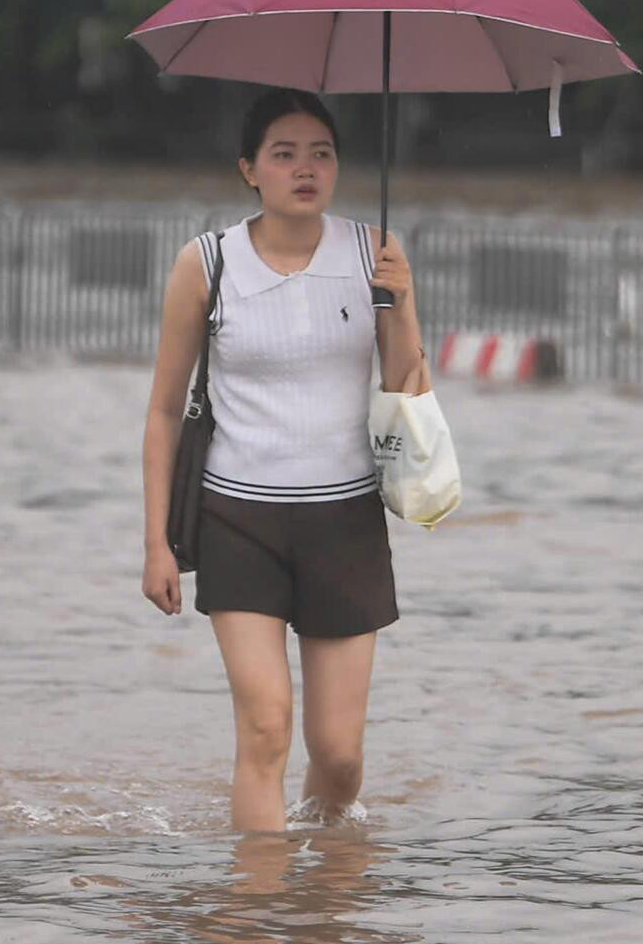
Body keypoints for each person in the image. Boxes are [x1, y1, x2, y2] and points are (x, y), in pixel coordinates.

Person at [141, 88, 428, 834]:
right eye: (284, 154)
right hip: (238, 518)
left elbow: (408, 390)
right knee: (266, 728)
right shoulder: (205, 263)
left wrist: (400, 305)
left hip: (346, 523)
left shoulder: (376, 253)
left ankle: (323, 898)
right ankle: (260, 926)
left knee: (338, 756)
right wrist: (155, 546)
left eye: (322, 153)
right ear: (249, 170)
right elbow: (163, 412)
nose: (305, 169)